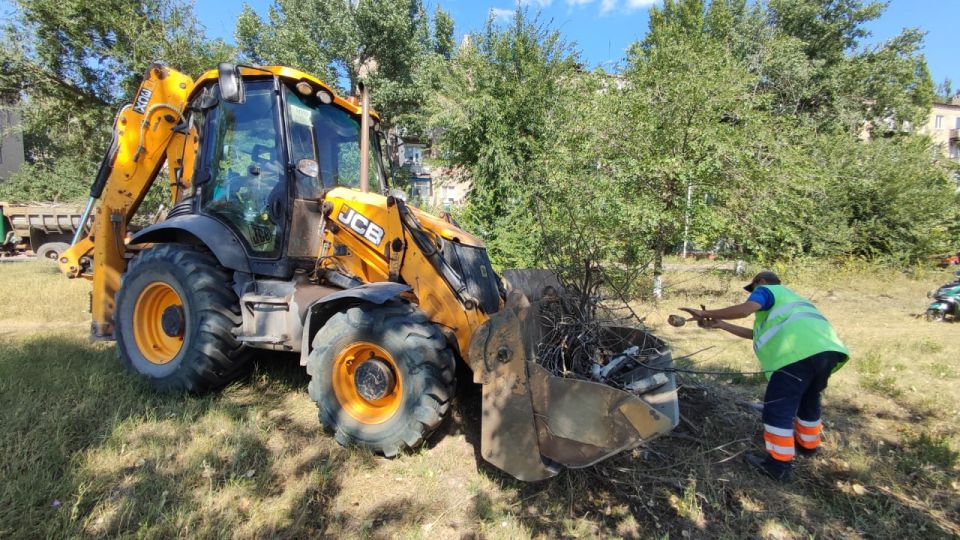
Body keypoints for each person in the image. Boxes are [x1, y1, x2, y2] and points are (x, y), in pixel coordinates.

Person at [680, 271, 849, 482]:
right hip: (827, 351)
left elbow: (744, 311)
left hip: (795, 355)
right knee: (809, 399)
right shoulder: (792, 300)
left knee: (778, 408)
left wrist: (703, 312)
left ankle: (778, 466)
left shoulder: (767, 291)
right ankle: (808, 446)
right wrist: (721, 324)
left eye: (752, 289)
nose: (752, 294)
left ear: (760, 282)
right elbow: (755, 334)